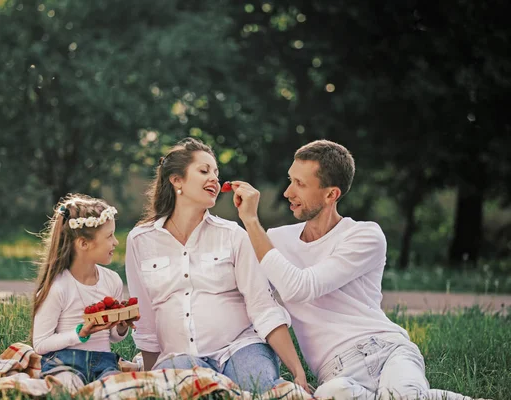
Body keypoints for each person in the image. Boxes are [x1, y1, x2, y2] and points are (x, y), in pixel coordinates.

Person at [231, 140, 479, 400]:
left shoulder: (365, 236)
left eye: (300, 184)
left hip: (387, 351)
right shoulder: (274, 240)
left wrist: (250, 221)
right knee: (332, 394)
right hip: (337, 373)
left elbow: (300, 287)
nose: (288, 193)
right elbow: (252, 297)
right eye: (290, 180)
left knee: (401, 395)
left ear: (331, 195)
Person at [125, 138, 309, 394]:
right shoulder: (141, 240)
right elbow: (144, 318)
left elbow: (263, 307)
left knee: (260, 389)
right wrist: (151, 380)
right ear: (176, 180)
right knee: (185, 391)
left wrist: (298, 372)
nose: (213, 178)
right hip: (180, 355)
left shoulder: (233, 234)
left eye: (216, 172)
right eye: (204, 171)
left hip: (240, 346)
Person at [31, 194, 135, 391]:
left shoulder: (112, 280)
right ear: (83, 244)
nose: (116, 242)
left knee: (118, 390)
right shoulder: (58, 287)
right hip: (65, 361)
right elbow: (40, 343)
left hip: (104, 361)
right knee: (68, 387)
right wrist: (79, 334)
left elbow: (112, 336)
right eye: (109, 236)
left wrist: (121, 327)